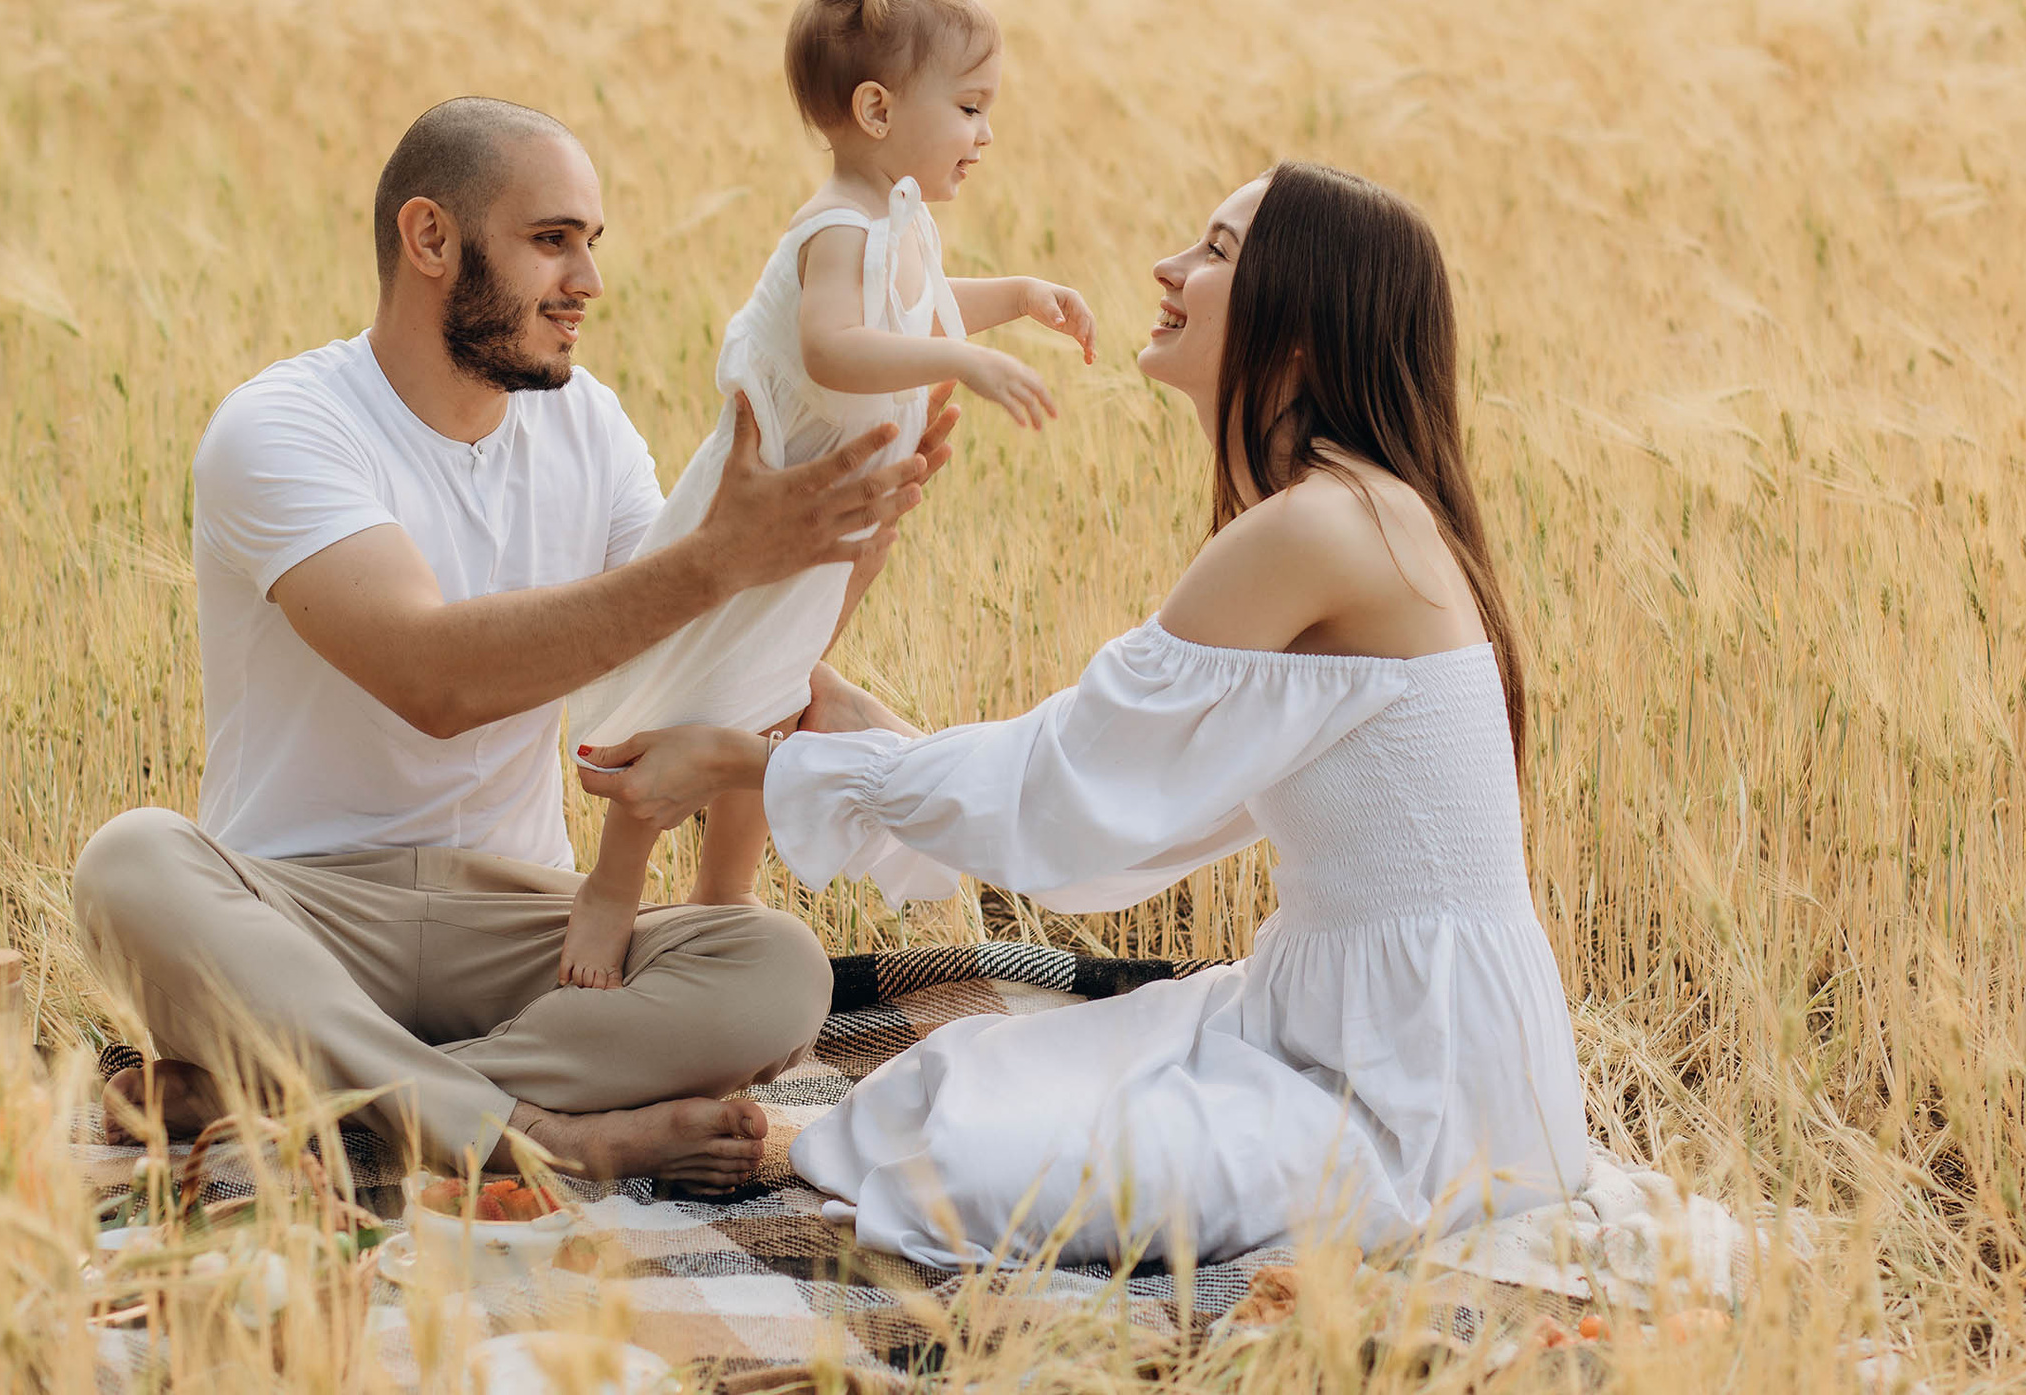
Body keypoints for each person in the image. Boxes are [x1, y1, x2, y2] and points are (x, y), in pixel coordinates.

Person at [572, 162, 1592, 1262]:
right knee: (931, 1090)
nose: (1168, 266)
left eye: (1216, 251)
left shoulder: (1322, 528)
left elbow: (1063, 792)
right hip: (1339, 1021)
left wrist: (752, 764)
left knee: (956, 1167)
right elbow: (1114, 829)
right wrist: (853, 729)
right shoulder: (1349, 514)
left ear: (1300, 328)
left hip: (1414, 1085)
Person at [70, 97, 958, 1188]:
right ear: (430, 238)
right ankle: (545, 1133)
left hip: (522, 925)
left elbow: (690, 664)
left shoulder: (588, 423)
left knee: (776, 968)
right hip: (297, 915)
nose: (588, 279)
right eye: (551, 240)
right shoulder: (283, 427)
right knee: (130, 864)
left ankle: (306, 1091)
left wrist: (838, 552)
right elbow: (432, 678)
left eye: (591, 242)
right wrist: (720, 560)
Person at [558, 0, 1096, 990]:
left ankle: (723, 893)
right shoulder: (837, 228)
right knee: (697, 688)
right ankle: (612, 888)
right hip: (760, 515)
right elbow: (834, 348)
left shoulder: (896, 220)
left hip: (822, 529)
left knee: (771, 698)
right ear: (878, 109)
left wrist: (1019, 296)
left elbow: (921, 301)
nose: (986, 132)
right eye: (970, 107)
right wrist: (963, 359)